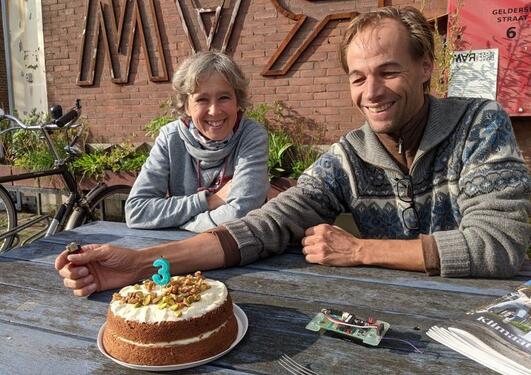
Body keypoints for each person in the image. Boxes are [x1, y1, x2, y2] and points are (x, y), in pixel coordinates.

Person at [56, 6, 530, 297]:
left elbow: (500, 246)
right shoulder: (350, 156)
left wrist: (360, 250)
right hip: (393, 319)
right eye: (358, 77)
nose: (372, 91)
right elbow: (266, 224)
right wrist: (141, 265)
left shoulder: (477, 123)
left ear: (426, 66)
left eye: (389, 71)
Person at [124, 51, 269, 233]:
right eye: (202, 99)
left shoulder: (252, 136)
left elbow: (240, 215)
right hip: (179, 251)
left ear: (237, 101)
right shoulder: (170, 138)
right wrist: (209, 201)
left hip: (238, 251)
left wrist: (179, 221)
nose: (214, 111)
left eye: (224, 97)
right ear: (186, 106)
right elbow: (137, 211)